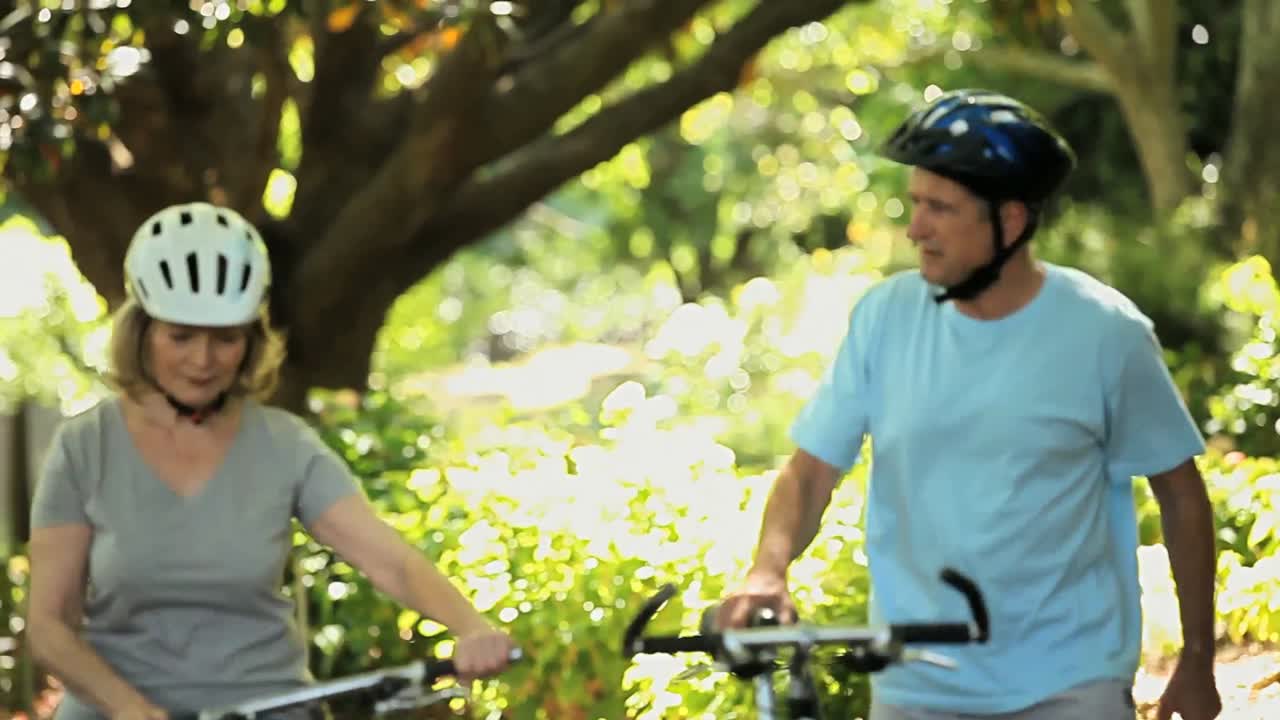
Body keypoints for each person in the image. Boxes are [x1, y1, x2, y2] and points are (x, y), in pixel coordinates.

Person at [716, 89, 1222, 720]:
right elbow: (811, 470)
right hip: (916, 684)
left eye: (940, 208)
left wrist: (1198, 658)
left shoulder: (1105, 334)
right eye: (916, 202)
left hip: (1069, 685)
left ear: (1009, 222)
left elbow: (1179, 491)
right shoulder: (886, 319)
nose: (915, 227)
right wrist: (767, 569)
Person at [28, 202, 518, 720]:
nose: (202, 360)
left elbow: (389, 560)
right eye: (181, 336)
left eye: (226, 339)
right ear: (142, 332)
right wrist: (133, 710)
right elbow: (47, 625)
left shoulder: (285, 446)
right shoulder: (84, 447)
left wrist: (471, 626)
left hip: (266, 708)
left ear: (253, 339)